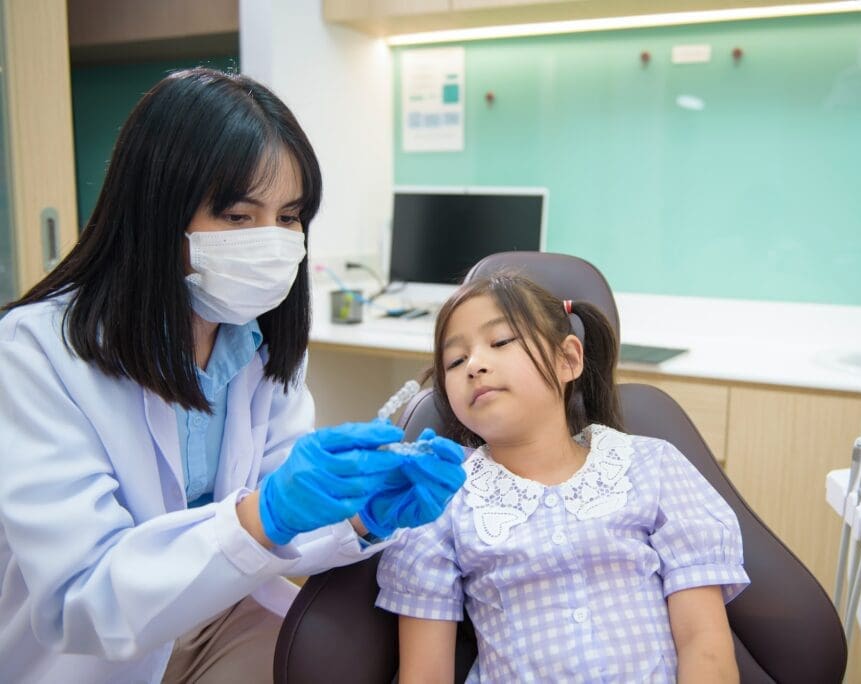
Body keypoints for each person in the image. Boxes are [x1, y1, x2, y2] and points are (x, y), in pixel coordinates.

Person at [0, 67, 464, 684]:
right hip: (87, 655)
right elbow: (85, 597)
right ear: (156, 212)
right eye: (241, 216)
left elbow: (283, 515)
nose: (272, 243)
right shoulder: (35, 353)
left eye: (290, 217)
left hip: (216, 610)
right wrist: (262, 514)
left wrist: (363, 513)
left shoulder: (261, 345)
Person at [375, 271, 750, 682]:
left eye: (500, 342)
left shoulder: (652, 467)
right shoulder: (441, 498)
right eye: (456, 360)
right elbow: (425, 676)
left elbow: (704, 644)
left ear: (568, 359)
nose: (475, 365)